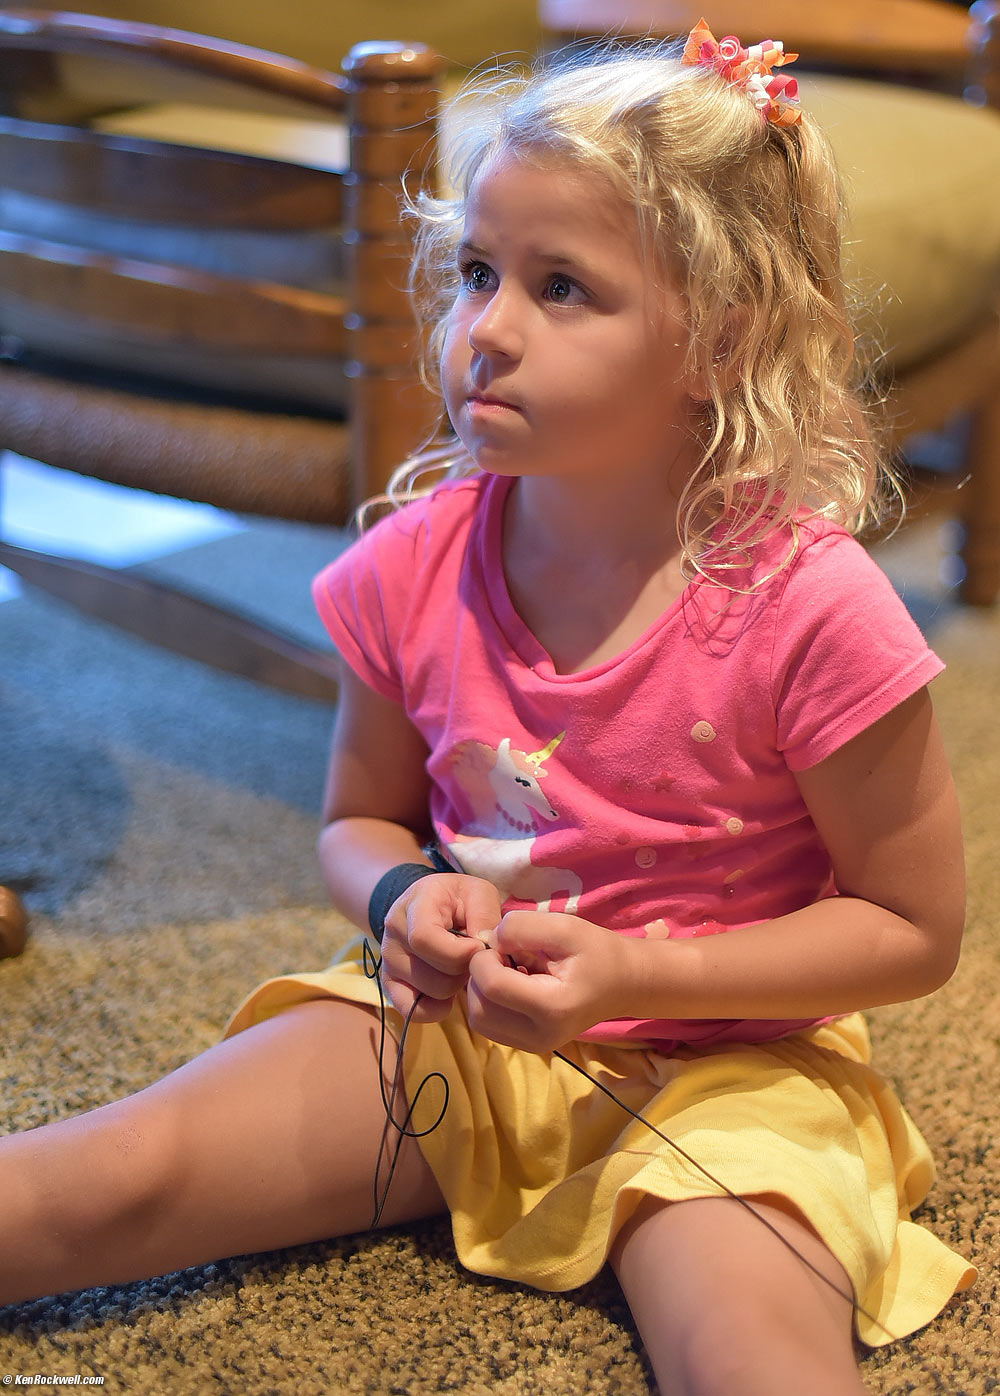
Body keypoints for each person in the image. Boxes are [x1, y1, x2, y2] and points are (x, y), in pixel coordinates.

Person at [0, 25, 976, 1396]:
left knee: (755, 1353)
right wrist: (402, 899)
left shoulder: (814, 608)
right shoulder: (412, 563)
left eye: (562, 287)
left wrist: (640, 977)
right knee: (103, 1177)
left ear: (722, 339)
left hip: (732, 1064)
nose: (485, 332)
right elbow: (359, 820)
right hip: (446, 1025)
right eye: (476, 273)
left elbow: (913, 929)